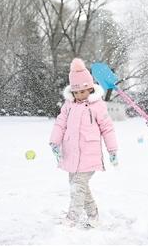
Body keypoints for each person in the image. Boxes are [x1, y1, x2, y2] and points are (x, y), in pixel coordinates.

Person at [49, 58, 118, 228]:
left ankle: (72, 218)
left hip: (89, 155)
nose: (79, 95)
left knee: (78, 186)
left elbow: (107, 128)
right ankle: (93, 214)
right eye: (76, 92)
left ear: (90, 88)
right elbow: (60, 123)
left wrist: (112, 150)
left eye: (83, 91)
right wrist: (54, 142)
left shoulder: (97, 106)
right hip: (71, 153)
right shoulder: (68, 106)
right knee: (78, 185)